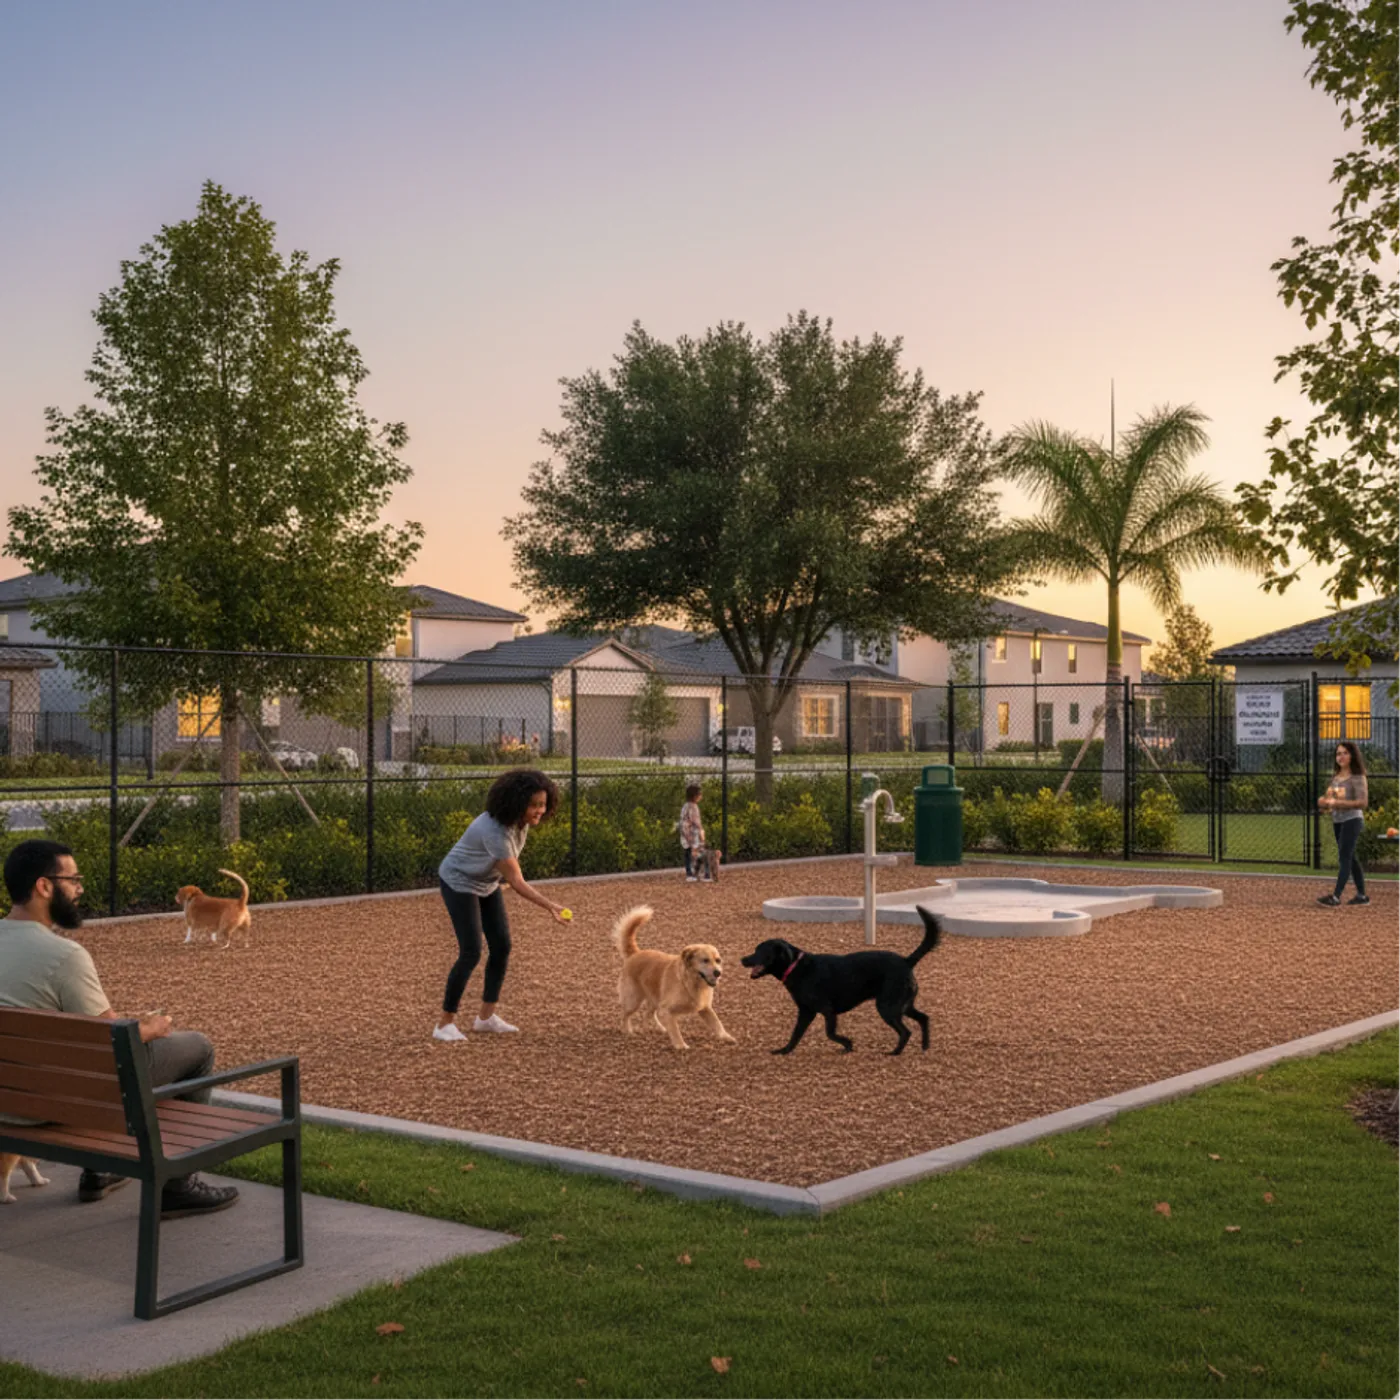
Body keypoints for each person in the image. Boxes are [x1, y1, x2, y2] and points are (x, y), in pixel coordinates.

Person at [0, 839, 240, 1217]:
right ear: (44, 887)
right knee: (197, 1048)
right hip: (49, 1106)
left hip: (7, 1100)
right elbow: (111, 1042)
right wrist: (149, 1028)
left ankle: (101, 1169)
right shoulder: (64, 956)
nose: (79, 890)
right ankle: (177, 1185)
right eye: (73, 880)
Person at [434, 768, 571, 1042]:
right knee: (471, 951)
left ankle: (485, 1018)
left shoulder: (518, 823)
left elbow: (505, 871)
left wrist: (500, 880)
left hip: (485, 882)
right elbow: (517, 881)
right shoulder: (494, 831)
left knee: (502, 946)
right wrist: (550, 906)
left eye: (543, 804)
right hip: (458, 881)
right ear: (515, 802)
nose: (539, 810)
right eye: (533, 805)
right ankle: (444, 1024)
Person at [1317, 741, 1370, 907]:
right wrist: (1323, 801)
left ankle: (1336, 896)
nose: (1341, 756)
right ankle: (1362, 896)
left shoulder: (1357, 777)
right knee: (1350, 856)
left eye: (1345, 753)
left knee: (1344, 856)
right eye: (1338, 753)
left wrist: (1337, 804)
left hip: (1352, 820)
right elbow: (1328, 798)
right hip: (1338, 820)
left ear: (1352, 755)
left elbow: (1362, 802)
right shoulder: (1336, 777)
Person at [679, 783, 706, 882]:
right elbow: (696, 821)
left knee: (687, 853)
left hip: (684, 832)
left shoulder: (685, 806)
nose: (701, 796)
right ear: (695, 796)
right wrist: (701, 832)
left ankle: (689, 873)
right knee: (695, 854)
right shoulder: (694, 807)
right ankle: (696, 873)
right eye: (699, 794)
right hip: (692, 833)